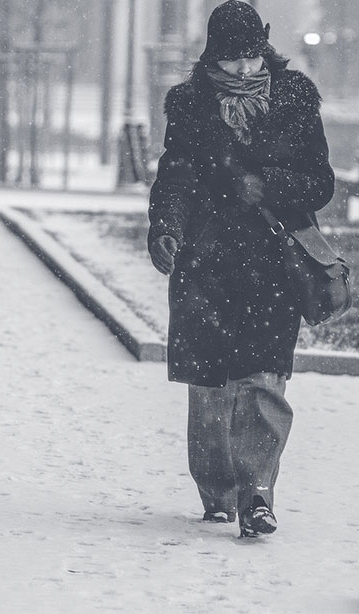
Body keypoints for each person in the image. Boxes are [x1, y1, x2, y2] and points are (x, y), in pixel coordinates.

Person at [147, 0, 334, 538]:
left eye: (252, 58)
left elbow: (319, 182)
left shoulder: (296, 98)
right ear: (212, 55)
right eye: (231, 60)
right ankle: (218, 491)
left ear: (265, 47)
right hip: (205, 262)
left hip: (272, 262)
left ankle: (257, 494)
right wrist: (165, 229)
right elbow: (175, 175)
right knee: (208, 388)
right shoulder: (190, 104)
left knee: (262, 383)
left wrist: (267, 185)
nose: (244, 70)